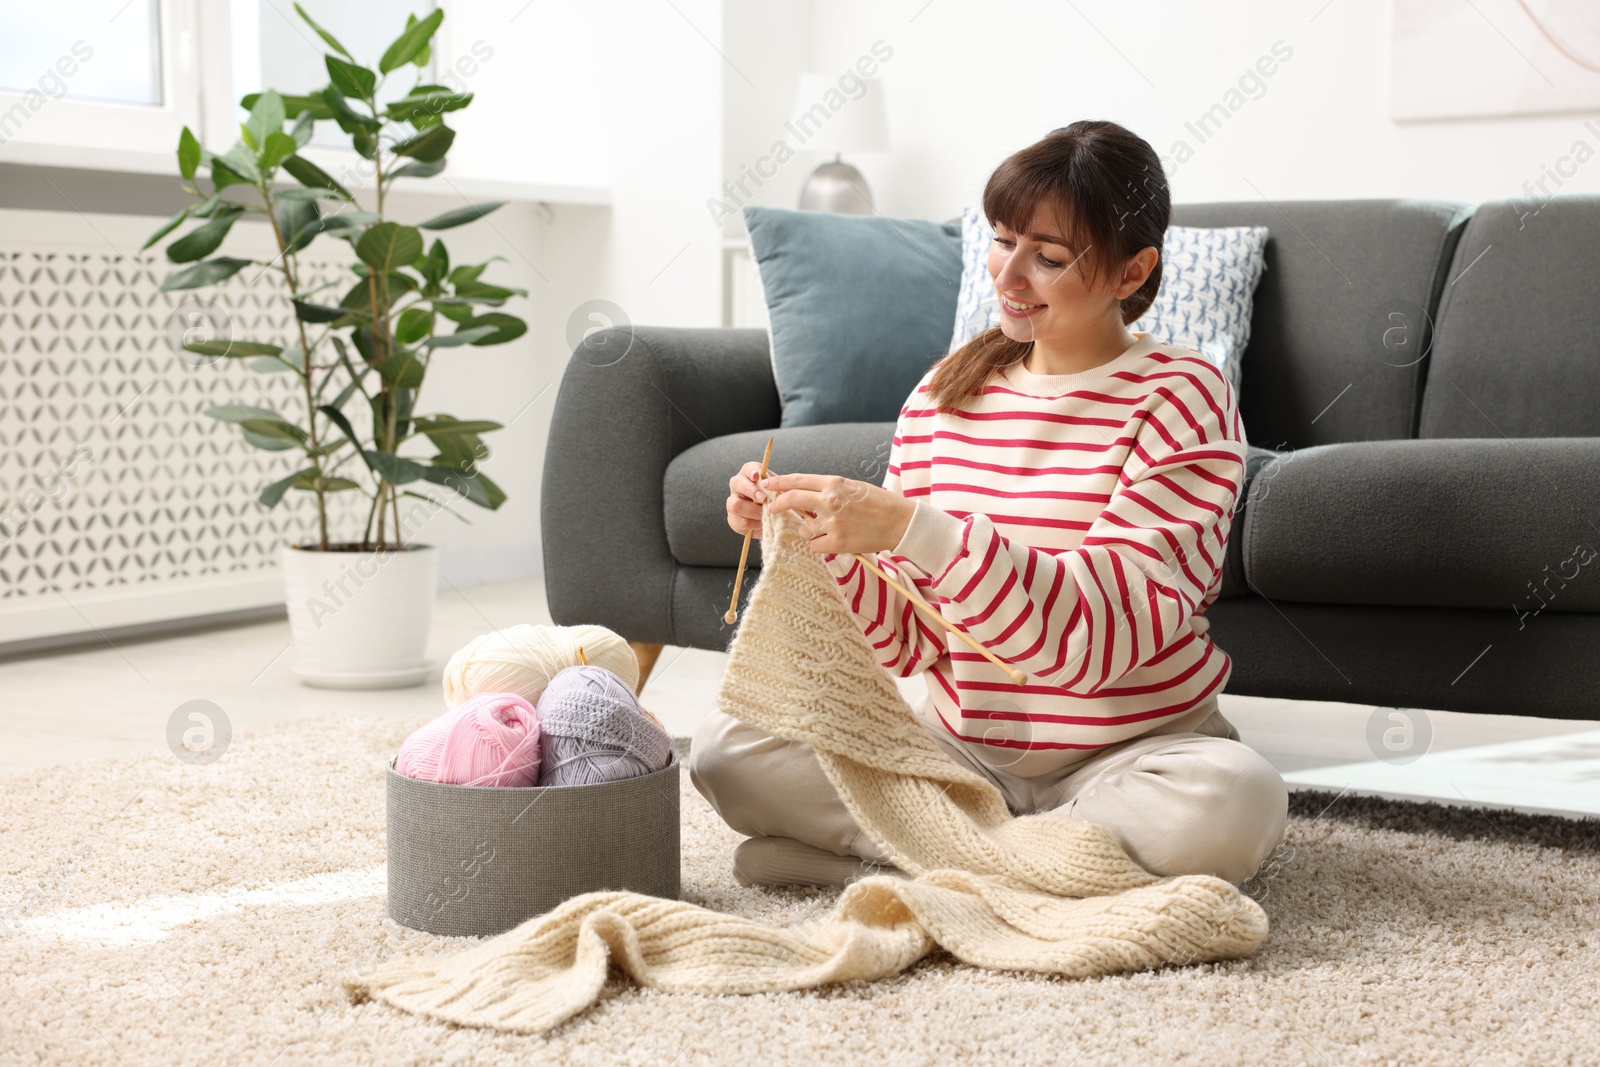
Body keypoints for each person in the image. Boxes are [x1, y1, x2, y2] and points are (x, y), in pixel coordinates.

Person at [692, 120, 1287, 890]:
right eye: (1003, 240)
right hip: (958, 752)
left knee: (1233, 800)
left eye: (1046, 257)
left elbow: (1098, 640)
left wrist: (914, 529)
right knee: (727, 747)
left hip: (1128, 752)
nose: (1008, 276)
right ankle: (1037, 863)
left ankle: (905, 856)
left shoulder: (1182, 396)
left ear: (1132, 271)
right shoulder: (943, 396)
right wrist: (820, 539)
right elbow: (911, 641)